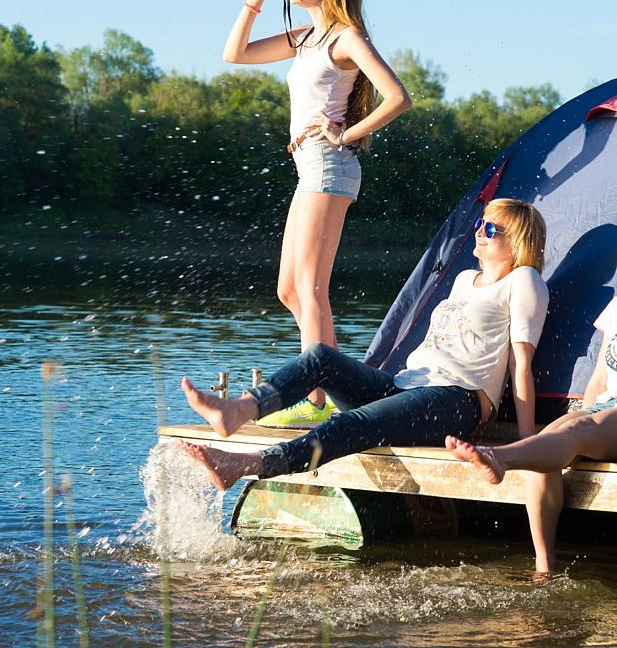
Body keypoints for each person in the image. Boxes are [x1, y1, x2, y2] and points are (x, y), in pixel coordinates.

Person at [179, 199, 549, 492]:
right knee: (321, 357)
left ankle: (245, 464)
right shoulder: (465, 279)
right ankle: (240, 409)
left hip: (455, 401)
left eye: (491, 228)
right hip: (407, 385)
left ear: (517, 243)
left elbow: (520, 365)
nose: (479, 231)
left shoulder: (524, 281)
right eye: (480, 223)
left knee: (349, 424)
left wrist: (526, 442)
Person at [446, 207, 617, 574]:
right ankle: (545, 565)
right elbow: (601, 376)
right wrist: (584, 415)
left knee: (567, 434)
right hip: (605, 409)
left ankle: (500, 457)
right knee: (549, 441)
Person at [224, 0, 412, 412]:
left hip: (329, 163)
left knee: (309, 289)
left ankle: (315, 398)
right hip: (309, 167)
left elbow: (397, 97)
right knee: (289, 290)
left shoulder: (346, 38)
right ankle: (335, 389)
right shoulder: (304, 37)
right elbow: (236, 54)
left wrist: (346, 133)